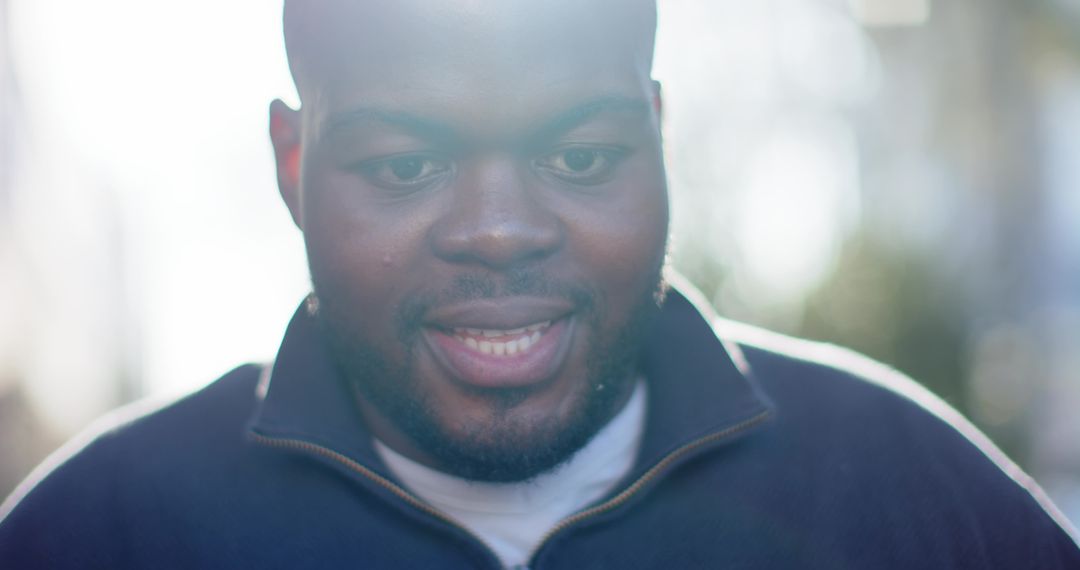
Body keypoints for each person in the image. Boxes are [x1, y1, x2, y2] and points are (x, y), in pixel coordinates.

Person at [2, 0, 1079, 567]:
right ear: (294, 165)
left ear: (656, 136)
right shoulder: (102, 536)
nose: (499, 231)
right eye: (406, 167)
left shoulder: (911, 501)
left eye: (579, 158)